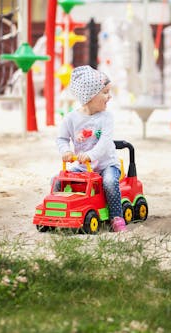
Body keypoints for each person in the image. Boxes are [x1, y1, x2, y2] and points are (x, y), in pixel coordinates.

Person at [56, 65, 126, 232]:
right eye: (105, 92)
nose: (109, 97)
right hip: (82, 166)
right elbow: (62, 138)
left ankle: (116, 216)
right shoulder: (71, 118)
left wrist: (89, 155)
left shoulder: (106, 117)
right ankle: (61, 212)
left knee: (109, 182)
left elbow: (104, 143)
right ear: (90, 96)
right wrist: (65, 151)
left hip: (106, 165)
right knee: (58, 181)